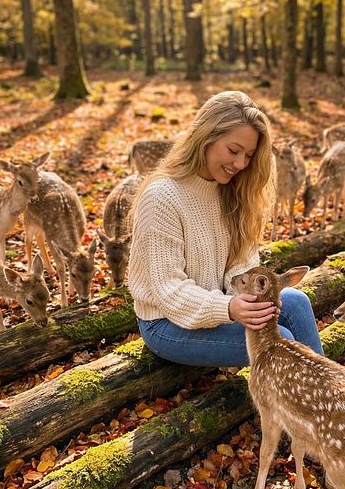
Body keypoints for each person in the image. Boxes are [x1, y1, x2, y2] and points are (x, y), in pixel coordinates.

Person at [127, 90, 324, 367]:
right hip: (166, 324)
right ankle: (306, 405)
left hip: (218, 304)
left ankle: (330, 398)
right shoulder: (162, 197)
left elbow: (242, 265)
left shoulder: (231, 191)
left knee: (296, 302)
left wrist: (252, 298)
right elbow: (168, 290)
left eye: (249, 155)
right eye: (233, 151)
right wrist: (228, 308)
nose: (241, 164)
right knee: (278, 339)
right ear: (205, 137)